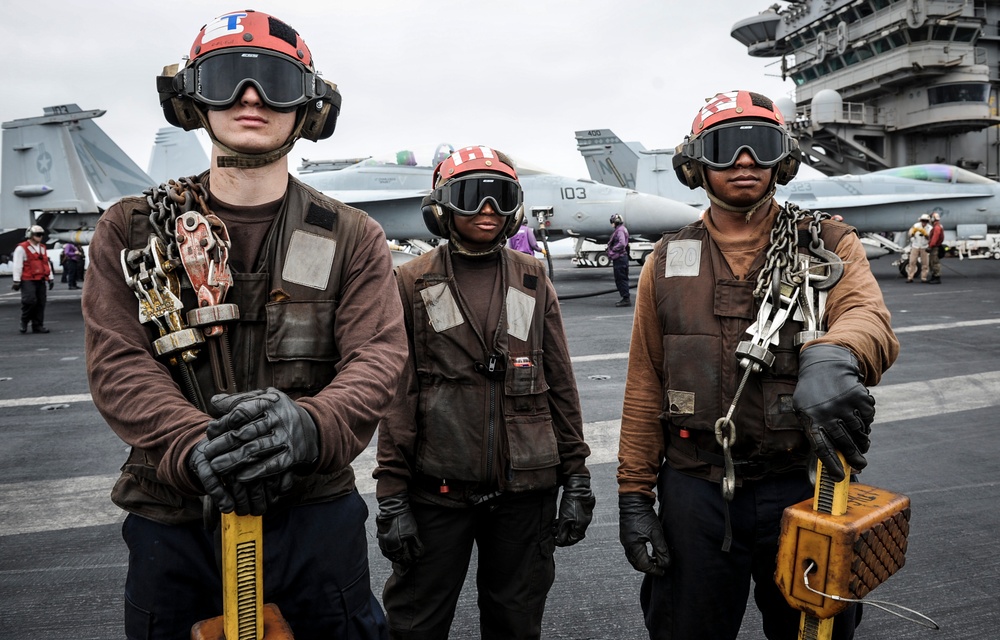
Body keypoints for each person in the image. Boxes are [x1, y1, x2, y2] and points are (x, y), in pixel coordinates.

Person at [81, 10, 406, 639]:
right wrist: (195, 447)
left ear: (308, 106)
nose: (251, 97)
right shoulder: (130, 230)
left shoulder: (352, 236)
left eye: (276, 82)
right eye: (228, 76)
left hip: (312, 513)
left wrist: (308, 427)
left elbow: (378, 358)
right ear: (191, 97)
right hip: (177, 517)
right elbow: (119, 364)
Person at [618, 90, 899, 640]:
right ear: (696, 165)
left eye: (761, 145)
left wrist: (837, 354)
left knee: (814, 630)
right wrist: (634, 496)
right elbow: (644, 386)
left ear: (784, 159)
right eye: (725, 147)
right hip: (694, 490)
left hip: (800, 483)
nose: (744, 161)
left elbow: (869, 318)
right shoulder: (664, 262)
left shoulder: (827, 244)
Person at [374, 146, 595, 639]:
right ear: (443, 206)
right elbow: (398, 398)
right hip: (437, 493)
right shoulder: (410, 282)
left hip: (526, 494)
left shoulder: (534, 279)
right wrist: (391, 497)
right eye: (471, 196)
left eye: (500, 196)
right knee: (415, 623)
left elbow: (560, 384)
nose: (487, 210)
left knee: (516, 623)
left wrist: (576, 475)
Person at [12, 225, 54, 334]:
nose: (40, 237)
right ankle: (24, 320)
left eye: (41, 235)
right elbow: (17, 265)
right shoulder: (21, 248)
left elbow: (46, 263)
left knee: (41, 303)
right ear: (30, 235)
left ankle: (38, 325)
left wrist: (51, 278)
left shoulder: (42, 248)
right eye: (37, 234)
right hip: (28, 279)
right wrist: (16, 280)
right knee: (29, 301)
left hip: (41, 279)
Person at [607, 213, 631, 307]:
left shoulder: (620, 230)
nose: (611, 224)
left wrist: (613, 250)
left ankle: (626, 299)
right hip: (622, 258)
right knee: (623, 278)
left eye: (612, 222)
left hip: (620, 259)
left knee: (621, 279)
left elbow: (621, 243)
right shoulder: (623, 229)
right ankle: (625, 298)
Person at [907, 213, 931, 283]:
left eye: (926, 221)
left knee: (925, 263)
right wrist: (913, 233)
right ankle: (910, 277)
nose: (924, 222)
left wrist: (925, 234)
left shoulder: (930, 228)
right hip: (915, 245)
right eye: (923, 221)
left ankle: (924, 277)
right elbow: (910, 235)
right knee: (912, 262)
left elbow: (930, 238)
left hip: (924, 246)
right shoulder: (916, 226)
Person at [927, 210, 944, 284]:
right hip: (935, 246)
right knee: (932, 262)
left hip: (935, 247)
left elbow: (935, 238)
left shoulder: (936, 227)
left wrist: (930, 246)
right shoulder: (937, 226)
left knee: (934, 262)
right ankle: (934, 276)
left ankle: (937, 277)